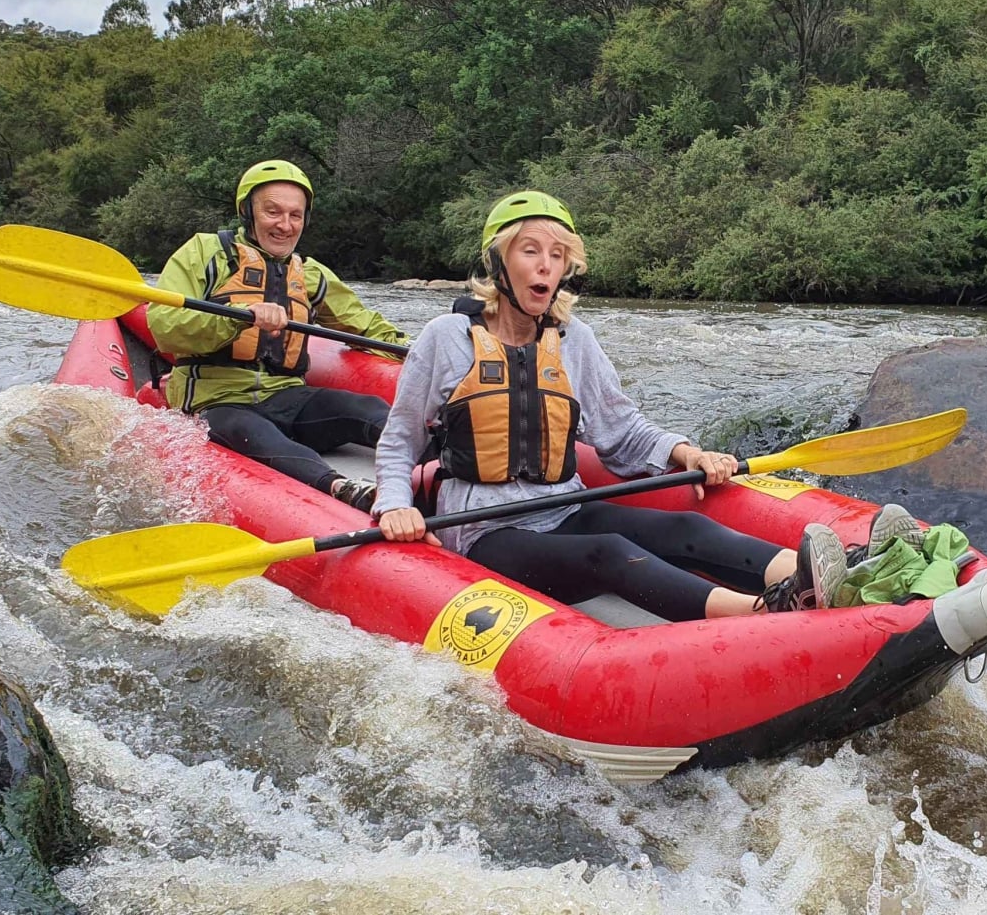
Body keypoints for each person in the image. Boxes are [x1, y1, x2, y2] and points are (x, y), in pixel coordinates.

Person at [372, 191, 884, 620]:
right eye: (530, 251)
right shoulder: (446, 338)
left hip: (561, 509)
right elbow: (401, 441)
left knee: (686, 528)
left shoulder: (574, 340)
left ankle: (843, 571)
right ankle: (768, 612)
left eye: (558, 254)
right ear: (498, 262)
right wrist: (395, 506)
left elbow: (621, 435)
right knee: (613, 554)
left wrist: (688, 453)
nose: (546, 265)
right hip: (484, 532)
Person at [147, 159, 408, 511]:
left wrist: (411, 349)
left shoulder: (310, 273)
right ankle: (339, 488)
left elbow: (362, 323)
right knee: (254, 433)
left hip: (287, 396)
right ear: (247, 213)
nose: (285, 225)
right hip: (217, 399)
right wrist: (239, 319)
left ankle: (443, 459)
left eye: (295, 215)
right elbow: (165, 328)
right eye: (273, 212)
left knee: (368, 409)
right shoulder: (205, 253)